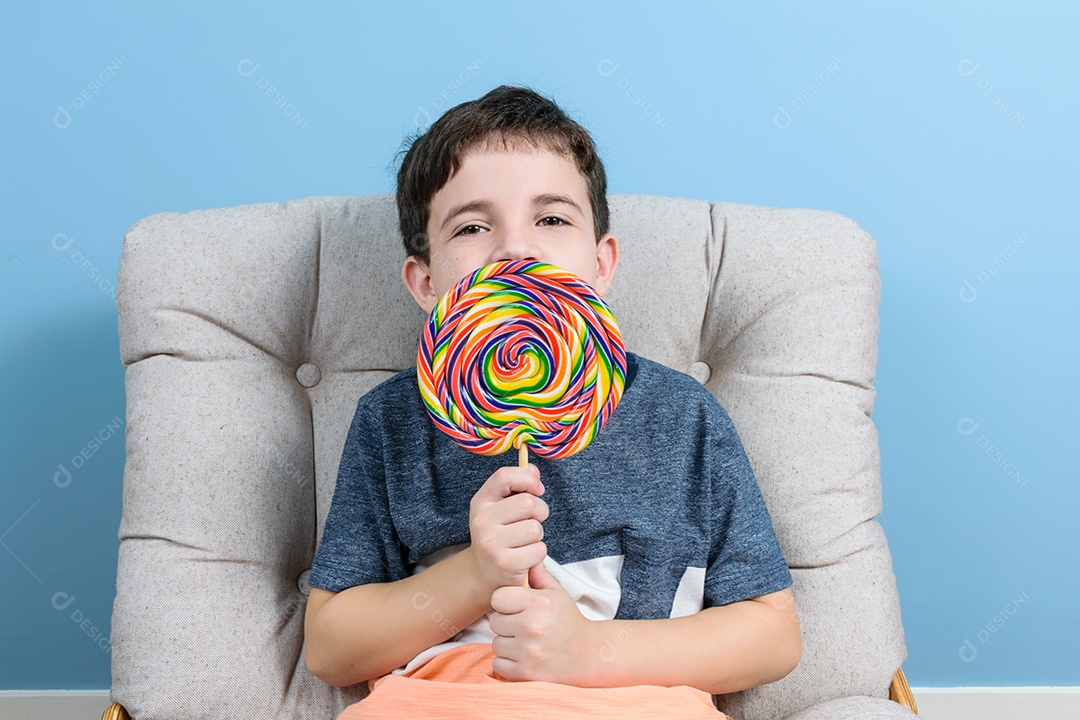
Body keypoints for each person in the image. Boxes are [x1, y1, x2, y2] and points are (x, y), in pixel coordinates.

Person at [303, 85, 801, 719]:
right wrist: (474, 575)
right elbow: (330, 648)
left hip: (634, 699)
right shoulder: (392, 422)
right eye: (473, 226)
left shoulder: (682, 417)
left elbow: (773, 634)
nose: (517, 248)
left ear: (601, 264)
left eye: (552, 219)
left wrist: (591, 650)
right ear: (425, 282)